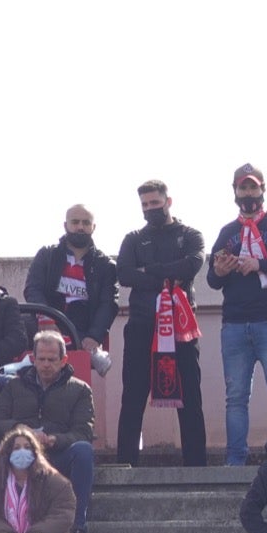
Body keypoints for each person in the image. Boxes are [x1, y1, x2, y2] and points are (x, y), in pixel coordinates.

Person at [206, 163, 267, 465]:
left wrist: (260, 264)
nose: (248, 193)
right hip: (234, 324)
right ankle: (235, 460)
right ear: (234, 192)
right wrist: (220, 271)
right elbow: (212, 279)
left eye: (253, 187)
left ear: (263, 189)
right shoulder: (227, 232)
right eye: (242, 188)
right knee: (235, 398)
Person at [115, 180, 207, 466]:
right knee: (132, 395)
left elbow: (192, 264)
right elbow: (125, 275)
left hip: (181, 327)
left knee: (190, 397)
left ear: (168, 202)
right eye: (144, 205)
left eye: (154, 203)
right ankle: (125, 463)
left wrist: (149, 271)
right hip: (142, 325)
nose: (149, 209)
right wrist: (167, 274)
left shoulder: (191, 234)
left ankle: (196, 466)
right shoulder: (132, 238)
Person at [0, 331, 95, 533]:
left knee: (83, 450)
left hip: (56, 454)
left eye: (52, 360)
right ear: (33, 359)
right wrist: (18, 429)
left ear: (63, 361)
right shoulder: (13, 387)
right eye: (41, 359)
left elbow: (84, 432)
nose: (46, 365)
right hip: (18, 452)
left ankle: (78, 527)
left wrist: (56, 439)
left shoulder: (80, 390)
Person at [23, 204, 119, 361]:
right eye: (75, 222)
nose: (80, 227)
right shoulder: (47, 255)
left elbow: (108, 304)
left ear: (93, 227)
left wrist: (94, 336)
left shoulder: (105, 265)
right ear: (65, 225)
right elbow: (33, 289)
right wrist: (46, 317)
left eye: (86, 223)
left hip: (81, 332)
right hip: (44, 325)